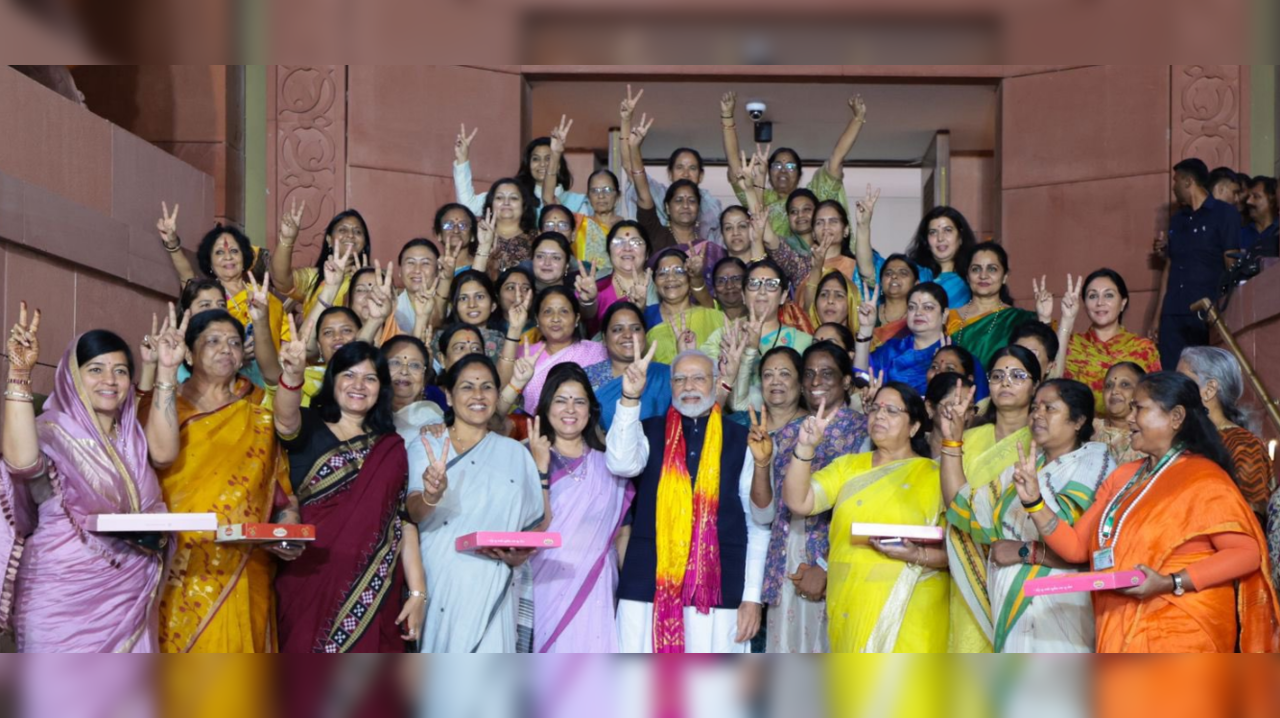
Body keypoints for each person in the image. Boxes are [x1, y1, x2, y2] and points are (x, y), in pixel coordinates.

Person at [1015, 372, 1279, 652]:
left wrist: (1170, 582)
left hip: (1184, 634)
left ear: (1176, 417)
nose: (1130, 418)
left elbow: (1246, 554)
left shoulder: (1204, 478)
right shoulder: (1124, 476)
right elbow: (1077, 548)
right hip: (1118, 629)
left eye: (1139, 408)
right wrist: (1035, 503)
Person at [1, 306, 183, 652]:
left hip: (129, 602)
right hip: (61, 601)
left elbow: (164, 455)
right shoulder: (52, 432)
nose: (110, 381)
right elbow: (22, 463)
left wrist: (168, 371)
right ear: (72, 376)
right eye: (95, 370)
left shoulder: (132, 437)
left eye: (120, 371)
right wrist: (20, 372)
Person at [605, 348, 769, 653]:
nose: (689, 386)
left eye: (698, 378)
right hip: (647, 588)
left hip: (719, 591)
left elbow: (757, 522)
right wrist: (629, 398)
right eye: (679, 379)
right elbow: (621, 463)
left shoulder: (741, 439)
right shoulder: (646, 431)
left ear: (716, 382)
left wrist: (751, 596)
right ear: (670, 387)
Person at [147, 308, 292, 652]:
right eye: (212, 341)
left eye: (233, 343)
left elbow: (283, 496)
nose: (226, 349)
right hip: (176, 563)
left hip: (242, 566)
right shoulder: (161, 407)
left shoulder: (260, 414)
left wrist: (289, 531)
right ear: (189, 352)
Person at [272, 338, 426, 653]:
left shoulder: (391, 446)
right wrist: (292, 376)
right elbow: (284, 418)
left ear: (381, 388)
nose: (359, 385)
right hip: (308, 578)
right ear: (333, 380)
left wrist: (418, 593)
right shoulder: (309, 425)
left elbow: (402, 521)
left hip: (375, 587)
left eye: (370, 378)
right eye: (349, 375)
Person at [942, 379, 1116, 652]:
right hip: (1012, 607)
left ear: (1078, 420)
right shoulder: (1025, 469)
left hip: (1059, 610)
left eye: (1049, 408)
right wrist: (952, 441)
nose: (1037, 414)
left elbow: (1082, 547)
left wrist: (1024, 550)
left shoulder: (1095, 462)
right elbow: (963, 507)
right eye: (1035, 407)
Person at [782, 382, 949, 652]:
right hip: (852, 604)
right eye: (875, 408)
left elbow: (959, 552)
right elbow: (799, 501)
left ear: (915, 427)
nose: (880, 416)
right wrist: (804, 447)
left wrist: (916, 556)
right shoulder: (848, 466)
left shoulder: (935, 476)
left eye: (892, 410)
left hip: (913, 607)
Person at [409, 355, 546, 652]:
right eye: (467, 387)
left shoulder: (515, 454)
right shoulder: (426, 445)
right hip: (442, 579)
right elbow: (413, 513)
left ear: (498, 395)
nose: (478, 396)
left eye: (487, 387)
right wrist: (431, 494)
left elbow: (535, 524)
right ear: (448, 394)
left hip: (495, 581)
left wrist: (519, 554)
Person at [756, 343, 869, 652]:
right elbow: (765, 515)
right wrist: (761, 463)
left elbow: (863, 512)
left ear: (846, 381)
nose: (816, 382)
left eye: (827, 373)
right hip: (785, 563)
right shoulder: (786, 434)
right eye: (809, 374)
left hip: (833, 566)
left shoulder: (864, 433)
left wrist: (825, 565)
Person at [942, 344, 1041, 653]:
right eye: (997, 376)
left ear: (1035, 385)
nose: (1005, 382)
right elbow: (953, 505)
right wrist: (952, 439)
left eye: (1017, 375)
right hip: (966, 561)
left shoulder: (1042, 442)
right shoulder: (968, 438)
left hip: (1017, 565)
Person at [529, 364, 634, 652]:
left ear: (591, 410)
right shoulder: (524, 457)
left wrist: (630, 590)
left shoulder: (609, 464)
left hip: (597, 584)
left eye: (579, 401)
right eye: (561, 400)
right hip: (543, 583)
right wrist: (540, 467)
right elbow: (536, 527)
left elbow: (623, 534)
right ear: (547, 407)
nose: (570, 410)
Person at [157, 205, 291, 385]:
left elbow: (286, 347)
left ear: (244, 258)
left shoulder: (268, 300)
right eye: (219, 252)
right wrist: (172, 244)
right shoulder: (208, 295)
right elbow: (186, 276)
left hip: (267, 382)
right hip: (219, 379)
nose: (228, 257)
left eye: (234, 251)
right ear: (209, 262)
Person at [722, 92, 866, 242]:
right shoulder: (759, 195)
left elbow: (836, 159)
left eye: (790, 166)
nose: (783, 170)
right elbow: (735, 170)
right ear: (768, 172)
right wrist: (727, 117)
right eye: (777, 165)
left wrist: (858, 118)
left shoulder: (814, 195)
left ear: (799, 174)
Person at [1153, 158, 1240, 367]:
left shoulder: (1224, 213)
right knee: (1172, 375)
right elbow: (1169, 268)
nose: (1173, 187)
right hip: (1173, 313)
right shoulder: (1177, 220)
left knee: (1206, 374)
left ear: (1187, 181)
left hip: (1207, 311)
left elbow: (1232, 264)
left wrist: (1230, 312)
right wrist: (1157, 316)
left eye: (1175, 181)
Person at [619, 85, 724, 245]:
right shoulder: (656, 193)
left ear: (701, 175)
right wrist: (626, 120)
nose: (686, 173)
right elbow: (630, 167)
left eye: (692, 168)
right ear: (670, 173)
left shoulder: (712, 205)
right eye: (679, 167)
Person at [1177, 347, 1275, 516]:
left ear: (1209, 390)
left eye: (1182, 381)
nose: (1174, 389)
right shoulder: (1181, 437)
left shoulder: (1244, 445)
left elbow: (1248, 516)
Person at [1063, 269, 1162, 413]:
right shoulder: (1070, 345)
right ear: (1084, 304)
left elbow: (1157, 400)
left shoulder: (1143, 349)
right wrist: (1066, 321)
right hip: (1082, 432)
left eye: (1108, 295)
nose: (1100, 303)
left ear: (1123, 303)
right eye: (1092, 296)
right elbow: (1050, 387)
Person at [506, 286, 609, 414]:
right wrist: (514, 329)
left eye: (564, 311)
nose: (556, 318)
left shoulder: (597, 352)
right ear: (537, 319)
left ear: (576, 318)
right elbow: (500, 389)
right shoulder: (523, 353)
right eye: (548, 311)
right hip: (535, 429)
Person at [544, 119, 621, 277]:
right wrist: (555, 155)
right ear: (588, 196)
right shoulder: (578, 223)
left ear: (617, 196)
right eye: (595, 190)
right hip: (581, 286)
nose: (601, 195)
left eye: (607, 190)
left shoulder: (627, 227)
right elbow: (548, 198)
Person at [453, 126, 588, 216]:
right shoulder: (514, 195)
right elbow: (469, 207)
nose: (542, 164)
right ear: (528, 164)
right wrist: (462, 160)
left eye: (548, 158)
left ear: (558, 164)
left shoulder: (577, 202)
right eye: (535, 159)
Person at [946, 243, 1037, 369]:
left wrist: (1046, 317)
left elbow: (1040, 361)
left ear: (1004, 277)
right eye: (976, 269)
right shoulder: (948, 318)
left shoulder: (1018, 319)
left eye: (992, 269)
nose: (983, 276)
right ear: (967, 277)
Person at [584, 302, 673, 430]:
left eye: (636, 329)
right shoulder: (588, 378)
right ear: (604, 338)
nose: (628, 335)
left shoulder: (665, 375)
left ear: (645, 334)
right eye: (617, 329)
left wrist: (686, 355)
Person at [273, 206, 373, 318]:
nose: (350, 235)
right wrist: (287, 240)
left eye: (357, 232)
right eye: (342, 230)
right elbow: (281, 281)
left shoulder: (376, 280)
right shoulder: (315, 278)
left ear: (364, 243)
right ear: (329, 240)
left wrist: (361, 285)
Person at [855, 282, 948, 396]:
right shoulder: (892, 349)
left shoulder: (953, 357)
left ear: (944, 315)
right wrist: (866, 329)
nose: (918, 313)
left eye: (928, 307)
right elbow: (860, 376)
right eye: (912, 307)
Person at [644, 249, 724, 364]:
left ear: (689, 278)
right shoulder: (647, 318)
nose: (670, 278)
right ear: (655, 282)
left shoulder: (710, 316)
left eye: (679, 271)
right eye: (662, 273)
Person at [904, 207, 980, 307]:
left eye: (948, 230)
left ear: (961, 237)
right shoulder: (914, 273)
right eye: (933, 232)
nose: (940, 238)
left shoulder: (974, 276)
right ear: (926, 241)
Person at [383, 335, 444, 438]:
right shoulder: (363, 416)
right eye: (395, 363)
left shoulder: (433, 422)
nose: (404, 371)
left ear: (424, 378)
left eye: (415, 365)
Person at [481, 178, 539, 277]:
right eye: (499, 198)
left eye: (514, 198)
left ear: (524, 206)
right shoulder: (479, 235)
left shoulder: (536, 238)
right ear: (491, 204)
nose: (506, 202)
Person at [1093, 362, 1148, 465]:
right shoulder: (1090, 429)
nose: (1114, 391)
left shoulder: (1149, 439)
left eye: (1125, 385)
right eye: (1108, 386)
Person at [867, 254, 917, 349]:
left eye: (903, 273)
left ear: (916, 284)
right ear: (881, 283)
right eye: (888, 273)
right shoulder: (868, 315)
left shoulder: (919, 317)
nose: (894, 276)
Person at [807, 271, 860, 343]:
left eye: (839, 295)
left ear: (851, 303)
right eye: (824, 294)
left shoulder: (864, 344)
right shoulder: (802, 341)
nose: (830, 300)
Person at [1240, 176, 1278, 254]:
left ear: (1272, 200)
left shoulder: (1277, 231)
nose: (1249, 202)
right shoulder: (1242, 233)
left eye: (1256, 197)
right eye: (1248, 197)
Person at [713, 256, 749, 321]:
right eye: (721, 281)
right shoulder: (706, 317)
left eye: (737, 279)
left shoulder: (762, 317)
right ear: (714, 290)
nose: (729, 286)